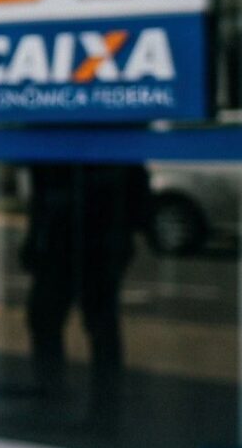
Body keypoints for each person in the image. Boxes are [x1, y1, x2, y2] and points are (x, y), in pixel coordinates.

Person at [21, 161, 150, 432]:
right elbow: (41, 190)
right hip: (69, 234)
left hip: (99, 233)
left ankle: (102, 411)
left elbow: (135, 181)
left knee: (98, 323)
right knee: (47, 316)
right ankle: (54, 396)